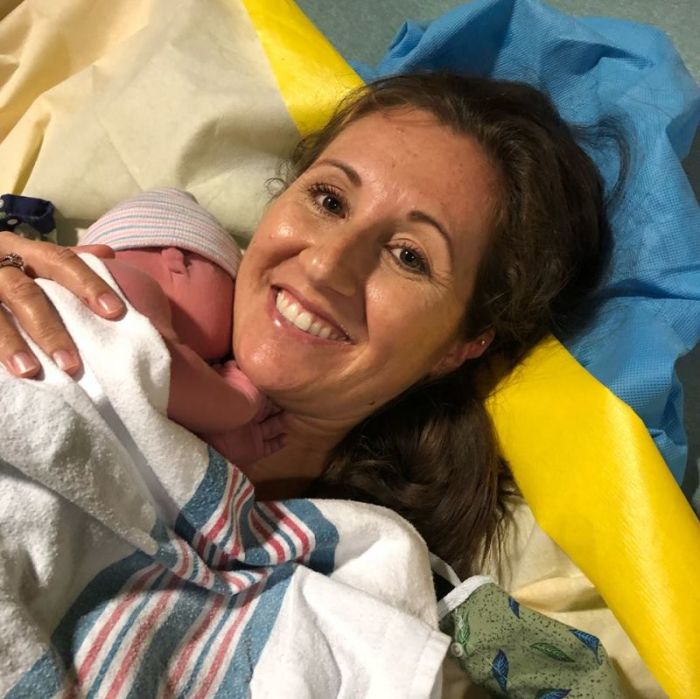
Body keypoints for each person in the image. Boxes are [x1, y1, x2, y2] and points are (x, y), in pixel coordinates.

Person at [0, 72, 614, 579]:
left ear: (460, 346)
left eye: (408, 255)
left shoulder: (359, 566)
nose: (324, 266)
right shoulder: (100, 304)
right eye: (328, 200)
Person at [79, 187, 286, 465]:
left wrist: (213, 452)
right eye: (211, 362)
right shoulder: (109, 278)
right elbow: (161, 368)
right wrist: (237, 400)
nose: (214, 368)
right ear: (177, 262)